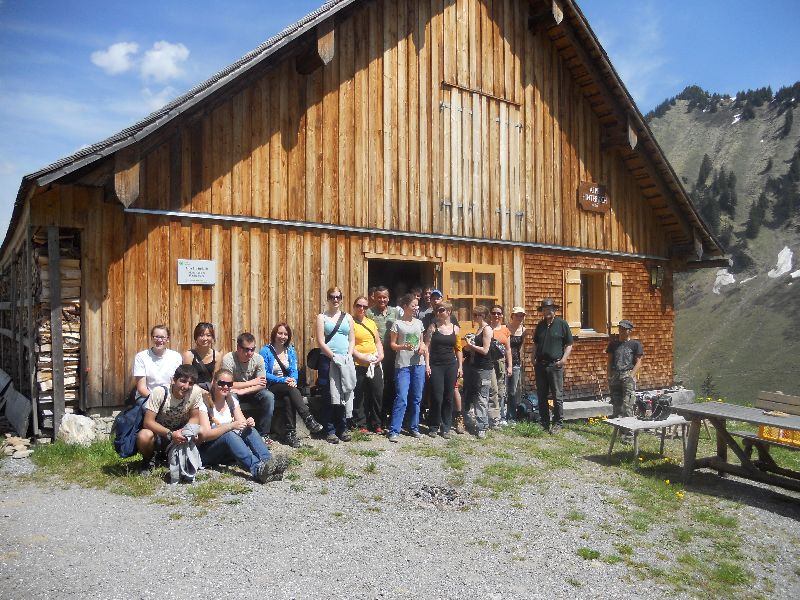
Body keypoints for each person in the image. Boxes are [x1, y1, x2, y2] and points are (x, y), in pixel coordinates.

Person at [197, 368, 288, 483]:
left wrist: (249, 422)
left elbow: (241, 424)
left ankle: (269, 463)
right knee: (228, 434)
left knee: (249, 430)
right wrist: (230, 426)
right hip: (207, 452)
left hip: (227, 451)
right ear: (214, 383)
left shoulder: (231, 400)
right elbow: (205, 435)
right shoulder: (204, 403)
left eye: (229, 384)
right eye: (221, 383)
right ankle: (257, 469)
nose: (225, 387)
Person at [260, 322, 323, 447]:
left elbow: (294, 370)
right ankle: (308, 418)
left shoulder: (290, 350)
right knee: (291, 390)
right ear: (274, 334)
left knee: (289, 397)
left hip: (287, 387)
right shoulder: (265, 351)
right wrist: (284, 380)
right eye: (280, 333)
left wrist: (293, 379)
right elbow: (265, 373)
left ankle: (290, 435)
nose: (282, 336)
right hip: (272, 386)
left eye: (285, 334)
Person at [135, 364, 203, 471]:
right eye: (183, 381)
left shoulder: (196, 392)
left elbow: (195, 417)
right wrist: (171, 434)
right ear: (173, 380)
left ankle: (185, 457)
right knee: (144, 436)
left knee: (199, 432)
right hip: (159, 433)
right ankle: (149, 459)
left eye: (190, 383)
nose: (186, 386)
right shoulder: (160, 392)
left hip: (180, 431)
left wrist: (185, 431)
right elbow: (148, 422)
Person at [315, 286, 356, 444]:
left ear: (342, 298)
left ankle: (343, 428)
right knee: (329, 395)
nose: (335, 300)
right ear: (328, 298)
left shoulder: (348, 317)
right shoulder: (322, 317)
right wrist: (333, 357)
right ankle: (330, 429)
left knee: (344, 393)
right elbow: (320, 341)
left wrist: (348, 355)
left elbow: (352, 339)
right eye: (332, 297)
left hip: (345, 360)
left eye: (338, 297)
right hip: (328, 360)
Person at [388, 294, 427, 442]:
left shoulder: (419, 323)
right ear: (405, 306)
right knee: (402, 397)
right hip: (403, 365)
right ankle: (394, 430)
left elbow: (422, 342)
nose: (416, 308)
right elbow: (392, 345)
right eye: (413, 305)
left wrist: (422, 348)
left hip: (419, 363)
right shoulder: (397, 324)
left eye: (417, 305)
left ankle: (414, 427)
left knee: (416, 397)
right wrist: (402, 346)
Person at [221, 333, 275, 438]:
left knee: (269, 396)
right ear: (238, 347)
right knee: (231, 396)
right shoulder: (229, 359)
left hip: (250, 391)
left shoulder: (258, 358)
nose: (250, 353)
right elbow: (227, 384)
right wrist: (252, 382)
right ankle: (236, 432)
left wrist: (244, 390)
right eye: (246, 349)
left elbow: (262, 384)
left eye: (252, 349)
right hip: (234, 392)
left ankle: (264, 434)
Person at [532, 298, 573, 434]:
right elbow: (536, 344)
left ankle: (558, 422)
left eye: (550, 309)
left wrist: (563, 360)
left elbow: (569, 344)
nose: (547, 311)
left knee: (557, 395)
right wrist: (533, 358)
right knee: (542, 394)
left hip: (555, 365)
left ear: (554, 310)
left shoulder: (562, 324)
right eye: (544, 309)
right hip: (541, 365)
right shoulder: (540, 325)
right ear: (542, 311)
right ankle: (544, 422)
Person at [424, 301, 462, 438]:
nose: (438, 313)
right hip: (436, 365)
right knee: (437, 396)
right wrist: (427, 365)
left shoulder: (455, 329)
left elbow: (458, 349)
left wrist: (460, 366)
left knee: (448, 396)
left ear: (448, 312)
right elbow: (426, 347)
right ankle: (433, 425)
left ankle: (446, 426)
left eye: (441, 310)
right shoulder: (432, 327)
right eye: (437, 310)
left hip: (451, 365)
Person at [367, 286, 402, 429]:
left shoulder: (395, 312)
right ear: (374, 298)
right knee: (378, 387)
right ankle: (377, 418)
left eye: (384, 297)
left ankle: (391, 415)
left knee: (392, 385)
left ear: (388, 298)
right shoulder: (369, 312)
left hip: (393, 352)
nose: (382, 300)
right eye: (379, 297)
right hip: (377, 353)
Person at [351, 296, 385, 434]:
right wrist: (360, 356)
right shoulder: (350, 323)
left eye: (365, 306)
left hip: (374, 363)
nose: (362, 309)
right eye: (359, 305)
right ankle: (361, 424)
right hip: (358, 363)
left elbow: (377, 341)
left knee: (377, 393)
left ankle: (376, 423)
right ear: (354, 306)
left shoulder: (371, 323)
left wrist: (381, 355)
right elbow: (349, 344)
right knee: (360, 394)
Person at [607, 320, 644, 442]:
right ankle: (620, 433)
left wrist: (632, 375)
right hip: (615, 375)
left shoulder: (635, 344)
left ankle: (629, 435)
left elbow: (639, 362)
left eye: (624, 329)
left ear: (630, 331)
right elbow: (609, 361)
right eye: (620, 329)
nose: (622, 331)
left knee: (628, 404)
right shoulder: (613, 345)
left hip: (627, 375)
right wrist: (609, 375)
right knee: (617, 405)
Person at [462, 305, 494, 439]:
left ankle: (482, 427)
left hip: (484, 367)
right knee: (473, 394)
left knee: (482, 397)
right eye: (474, 315)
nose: (474, 317)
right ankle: (472, 421)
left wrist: (471, 346)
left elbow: (485, 350)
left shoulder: (487, 329)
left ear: (483, 316)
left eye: (477, 315)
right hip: (474, 366)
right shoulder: (479, 329)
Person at [132, 325, 183, 401]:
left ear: (168, 339)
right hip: (146, 397)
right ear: (152, 338)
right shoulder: (141, 357)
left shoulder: (176, 356)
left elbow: (175, 383)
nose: (159, 340)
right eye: (156, 337)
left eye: (162, 337)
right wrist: (157, 401)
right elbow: (141, 388)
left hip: (169, 397)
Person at [489, 305, 513, 427]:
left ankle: (501, 415)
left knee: (501, 390)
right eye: (494, 313)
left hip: (501, 362)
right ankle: (494, 418)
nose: (496, 315)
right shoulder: (487, 329)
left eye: (498, 313)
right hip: (490, 362)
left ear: (502, 315)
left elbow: (508, 349)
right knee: (493, 390)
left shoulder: (505, 330)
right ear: (491, 315)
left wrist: (510, 366)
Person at [506, 306, 530, 424]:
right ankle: (500, 415)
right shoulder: (506, 328)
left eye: (522, 316)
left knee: (512, 391)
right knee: (501, 390)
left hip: (516, 362)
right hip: (503, 362)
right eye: (517, 315)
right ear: (512, 316)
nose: (520, 318)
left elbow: (520, 347)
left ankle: (511, 415)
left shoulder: (524, 330)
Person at [182, 322, 221, 391]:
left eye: (208, 335)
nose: (205, 338)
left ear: (212, 337)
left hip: (210, 390)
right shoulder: (189, 355)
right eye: (201, 335)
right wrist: (202, 392)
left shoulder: (217, 355)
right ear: (196, 337)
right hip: (193, 390)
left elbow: (215, 379)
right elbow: (188, 379)